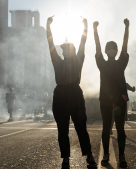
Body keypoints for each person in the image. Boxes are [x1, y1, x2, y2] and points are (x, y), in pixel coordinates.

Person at [46, 16, 96, 168]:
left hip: (75, 95)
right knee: (62, 129)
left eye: (68, 50)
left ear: (73, 52)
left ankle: (89, 155)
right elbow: (50, 43)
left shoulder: (78, 60)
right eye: (63, 51)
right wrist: (48, 26)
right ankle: (66, 158)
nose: (65, 52)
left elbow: (83, 42)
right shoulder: (57, 61)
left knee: (81, 128)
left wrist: (85, 26)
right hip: (61, 95)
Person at [94, 18, 129, 168]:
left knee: (120, 129)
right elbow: (97, 47)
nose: (111, 49)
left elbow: (125, 45)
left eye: (113, 48)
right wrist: (95, 30)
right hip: (105, 101)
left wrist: (127, 28)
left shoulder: (121, 62)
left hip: (120, 100)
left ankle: (121, 155)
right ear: (106, 51)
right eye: (109, 48)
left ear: (116, 51)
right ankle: (106, 154)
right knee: (106, 128)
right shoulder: (102, 63)